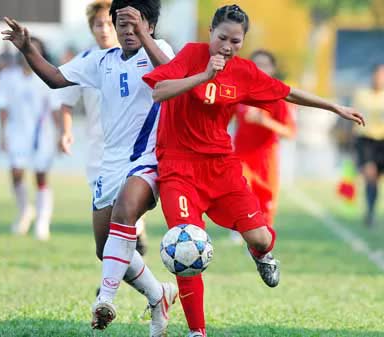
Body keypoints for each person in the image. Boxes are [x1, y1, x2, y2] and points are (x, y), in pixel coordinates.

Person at [142, 5, 364, 337]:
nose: (227, 47)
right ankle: (196, 331)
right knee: (186, 246)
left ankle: (261, 254)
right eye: (222, 38)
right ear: (209, 34)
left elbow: (286, 92)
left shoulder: (244, 72)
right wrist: (204, 76)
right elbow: (159, 91)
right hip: (178, 168)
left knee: (261, 236)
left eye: (235, 41)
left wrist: (333, 106)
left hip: (221, 168)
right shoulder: (191, 55)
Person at [1, 0, 177, 335]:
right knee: (105, 248)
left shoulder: (159, 50)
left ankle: (105, 300)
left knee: (126, 214)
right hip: (108, 164)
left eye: (135, 24)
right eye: (121, 24)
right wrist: (26, 49)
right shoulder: (99, 61)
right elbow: (55, 79)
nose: (127, 31)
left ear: (150, 26)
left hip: (148, 158)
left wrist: (146, 36)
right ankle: (158, 294)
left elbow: (172, 74)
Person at [58, 0, 148, 256]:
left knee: (125, 215)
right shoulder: (85, 61)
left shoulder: (139, 56)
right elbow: (65, 101)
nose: (105, 29)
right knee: (108, 230)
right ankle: (128, 267)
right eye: (99, 24)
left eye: (109, 23)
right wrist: (65, 132)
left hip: (134, 151)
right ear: (91, 28)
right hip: (99, 152)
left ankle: (118, 274)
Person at [0, 36, 59, 241]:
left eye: (34, 49)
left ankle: (42, 221)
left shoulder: (47, 76)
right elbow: (2, 107)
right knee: (16, 174)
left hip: (42, 135)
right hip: (16, 134)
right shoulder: (7, 76)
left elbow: (56, 108)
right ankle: (24, 211)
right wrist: (2, 134)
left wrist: (62, 134)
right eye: (26, 49)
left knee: (40, 177)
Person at [233, 49, 296, 227]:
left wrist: (264, 121)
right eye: (256, 64)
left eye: (265, 65)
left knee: (266, 206)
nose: (260, 69)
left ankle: (263, 238)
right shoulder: (239, 93)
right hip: (241, 156)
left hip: (266, 159)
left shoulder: (278, 97)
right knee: (242, 194)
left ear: (273, 69)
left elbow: (290, 132)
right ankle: (240, 228)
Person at [353, 63, 384, 227]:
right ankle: (370, 213)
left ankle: (372, 209)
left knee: (377, 179)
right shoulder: (362, 95)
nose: (380, 78)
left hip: (382, 141)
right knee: (370, 176)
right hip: (366, 140)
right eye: (378, 74)